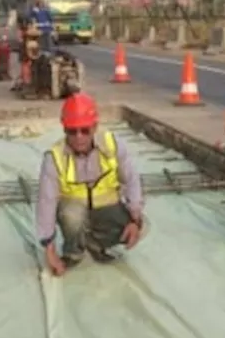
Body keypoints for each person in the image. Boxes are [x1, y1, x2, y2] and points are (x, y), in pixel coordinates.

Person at [36, 93, 145, 275]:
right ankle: (74, 251)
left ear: (95, 127)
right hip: (75, 213)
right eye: (72, 131)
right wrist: (49, 250)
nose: (79, 137)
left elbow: (132, 179)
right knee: (72, 214)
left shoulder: (112, 145)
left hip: (105, 209)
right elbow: (46, 202)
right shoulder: (54, 158)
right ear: (64, 130)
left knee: (143, 226)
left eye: (85, 130)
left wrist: (135, 220)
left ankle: (95, 243)